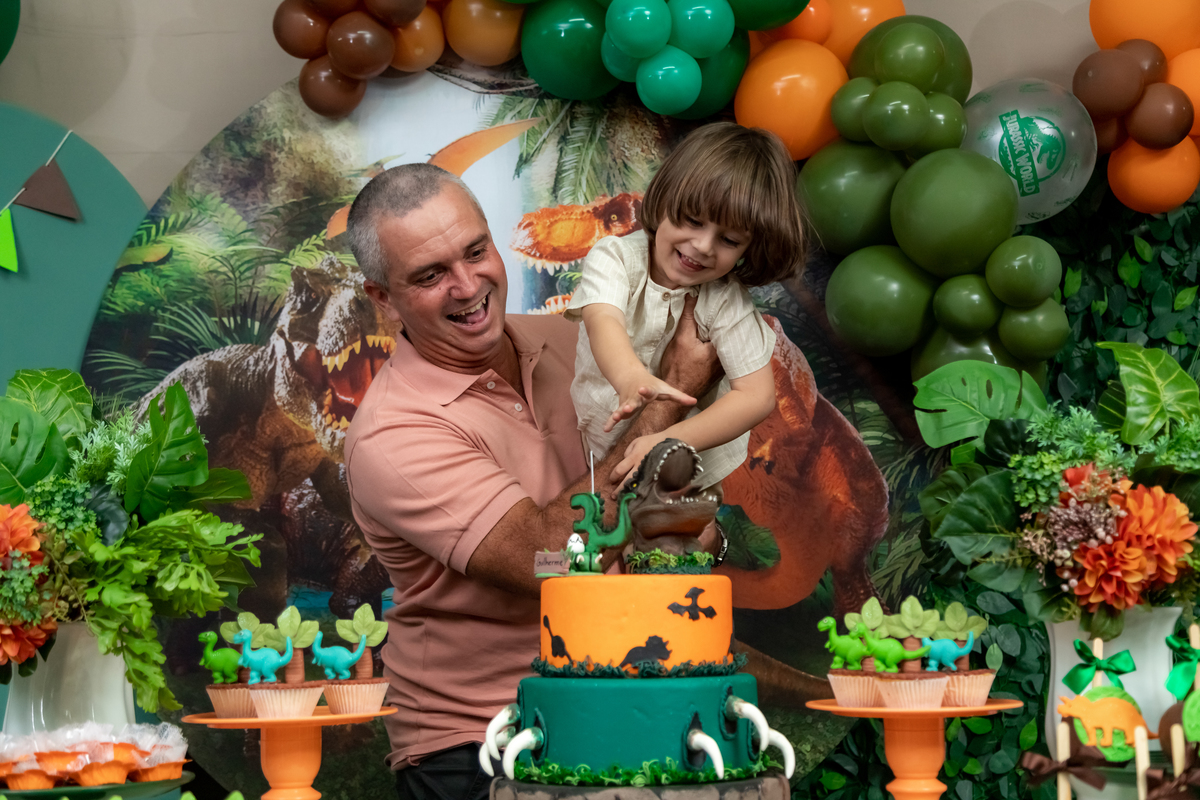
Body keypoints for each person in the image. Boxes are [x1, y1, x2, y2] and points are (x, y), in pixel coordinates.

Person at [343, 162, 722, 800]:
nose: (467, 286)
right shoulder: (392, 435)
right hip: (482, 740)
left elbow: (658, 516)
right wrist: (671, 395)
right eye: (430, 275)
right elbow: (551, 560)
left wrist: (693, 537)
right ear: (383, 296)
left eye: (476, 252)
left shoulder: (571, 340)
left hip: (620, 702)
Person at [566, 123, 807, 492]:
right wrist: (630, 377)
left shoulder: (724, 299)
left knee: (674, 525)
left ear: (748, 249)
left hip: (688, 466)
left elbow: (757, 397)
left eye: (729, 240)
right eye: (693, 220)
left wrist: (670, 441)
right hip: (599, 435)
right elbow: (603, 318)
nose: (704, 246)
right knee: (601, 510)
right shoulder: (616, 258)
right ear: (665, 201)